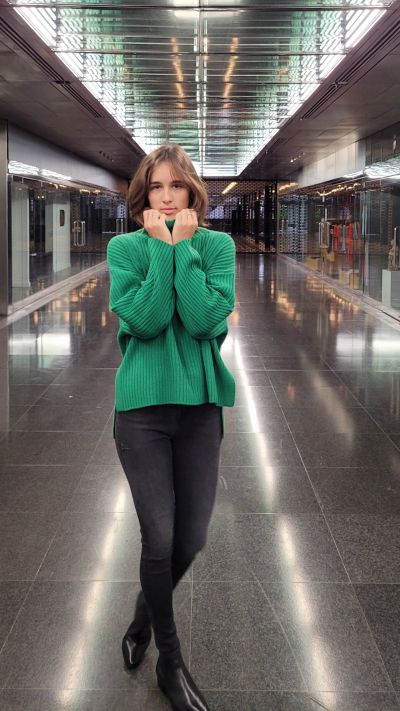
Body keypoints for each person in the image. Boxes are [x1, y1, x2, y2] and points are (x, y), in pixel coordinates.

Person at [107, 144, 236, 711]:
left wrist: (184, 249)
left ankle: (142, 614)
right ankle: (170, 660)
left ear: (192, 193)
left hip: (199, 410)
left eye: (176, 185)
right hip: (141, 413)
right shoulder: (124, 248)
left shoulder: (218, 246)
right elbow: (149, 318)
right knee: (158, 538)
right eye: (156, 186)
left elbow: (206, 320)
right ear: (144, 192)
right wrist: (163, 249)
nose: (166, 196)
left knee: (191, 538)